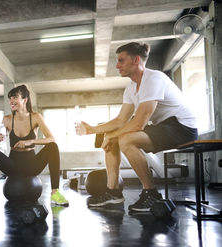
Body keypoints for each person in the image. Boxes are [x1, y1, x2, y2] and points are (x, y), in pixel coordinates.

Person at [75, 42, 197, 212]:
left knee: (125, 139)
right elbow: (120, 120)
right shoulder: (131, 88)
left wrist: (111, 135)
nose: (117, 66)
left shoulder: (154, 78)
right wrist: (92, 130)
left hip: (182, 127)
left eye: (121, 60)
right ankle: (113, 192)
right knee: (114, 137)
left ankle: (151, 193)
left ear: (136, 60)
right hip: (164, 126)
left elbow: (139, 123)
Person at [0, 85, 68, 206]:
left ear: (25, 99)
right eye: (10, 98)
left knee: (53, 147)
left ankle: (55, 193)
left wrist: (31, 142)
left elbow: (51, 139)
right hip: (12, 165)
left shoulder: (35, 117)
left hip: (31, 165)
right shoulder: (7, 119)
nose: (11, 101)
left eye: (14, 97)